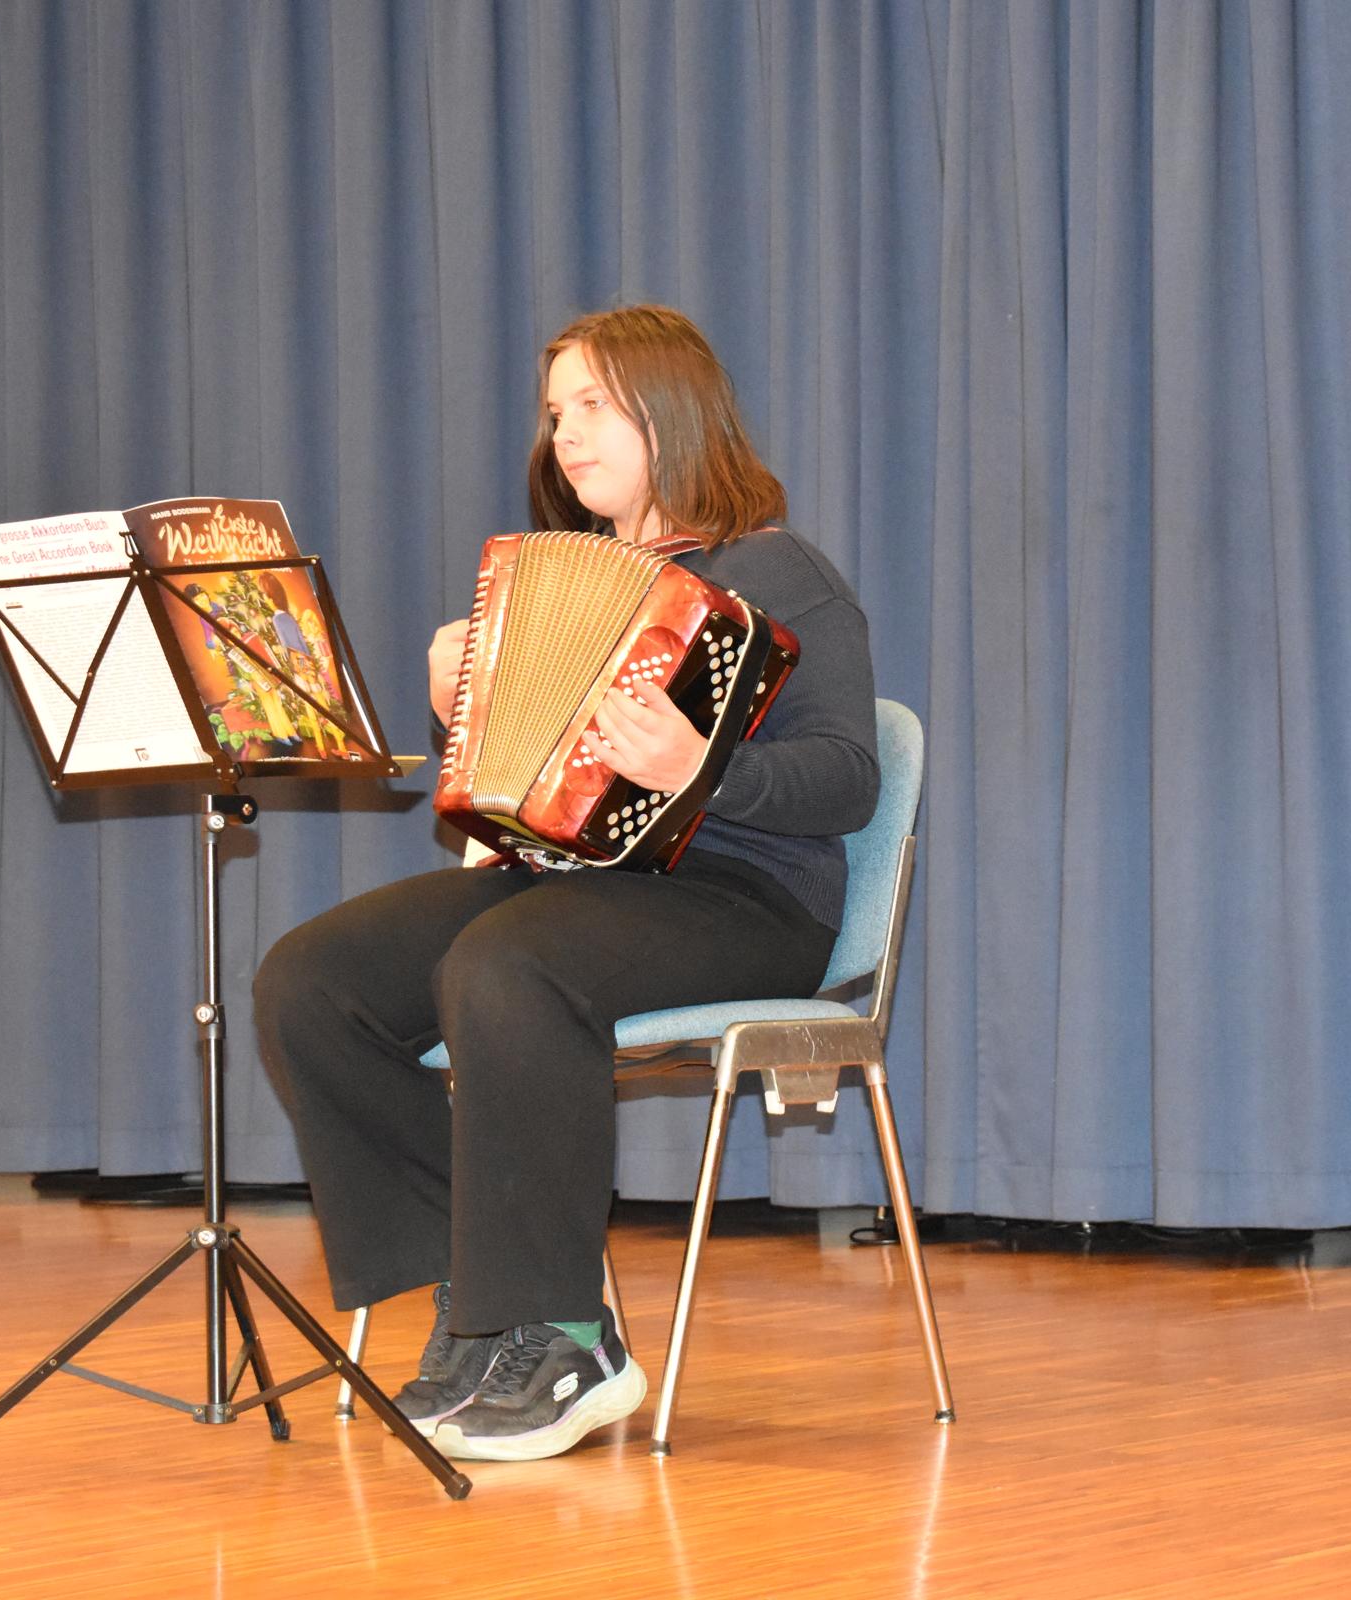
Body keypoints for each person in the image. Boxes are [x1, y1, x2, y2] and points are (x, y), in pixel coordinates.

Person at [252, 304, 877, 1463]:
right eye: (555, 413)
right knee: (311, 981)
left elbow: (847, 777)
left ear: (672, 410)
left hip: (749, 902)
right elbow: (519, 792)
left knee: (508, 965)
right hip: (576, 889)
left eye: (593, 405)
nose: (565, 435)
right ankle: (480, 1299)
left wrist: (704, 771)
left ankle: (565, 1334)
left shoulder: (775, 569)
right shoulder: (567, 578)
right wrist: (461, 711)